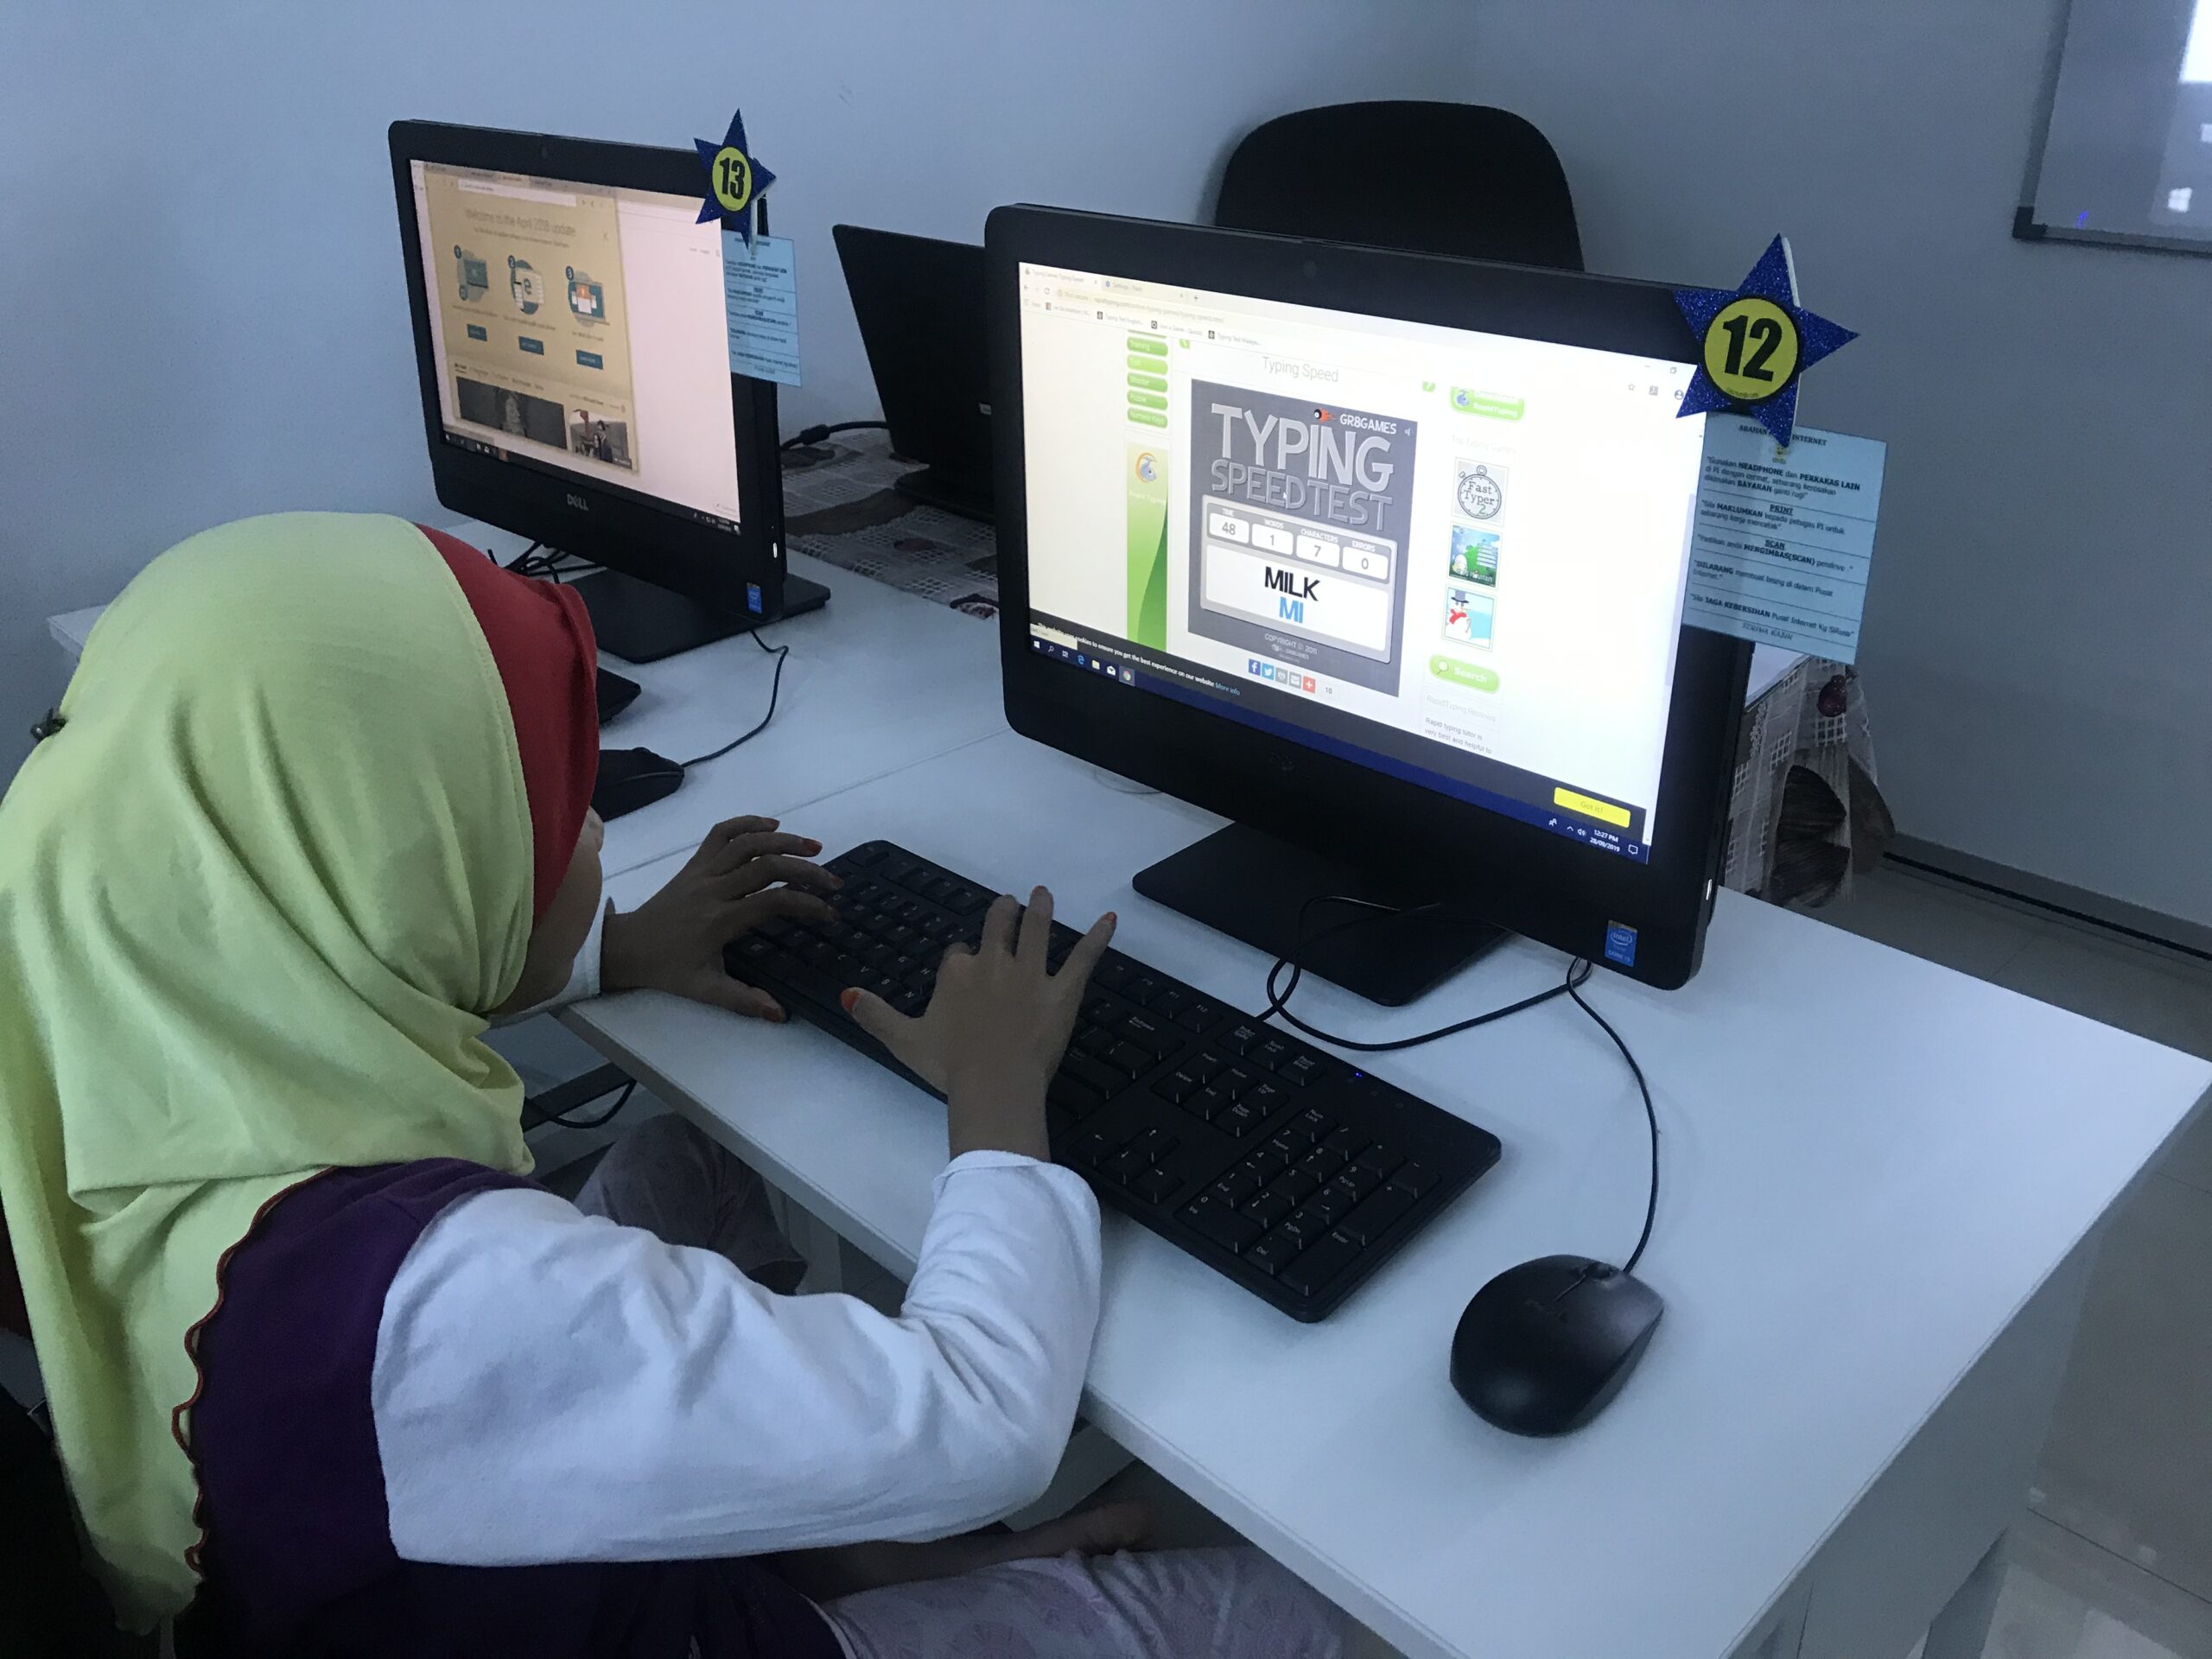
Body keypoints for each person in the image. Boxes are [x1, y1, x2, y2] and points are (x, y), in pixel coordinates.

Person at [0, 513, 1343, 1658]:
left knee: (684, 1163)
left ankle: (846, 1542)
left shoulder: (101, 1016)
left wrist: (606, 951)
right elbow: (988, 1425)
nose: (587, 826)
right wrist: (997, 1105)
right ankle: (844, 1579)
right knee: (1289, 1612)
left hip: (407, 1562)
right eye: (542, 801)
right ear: (400, 868)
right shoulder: (439, 1307)